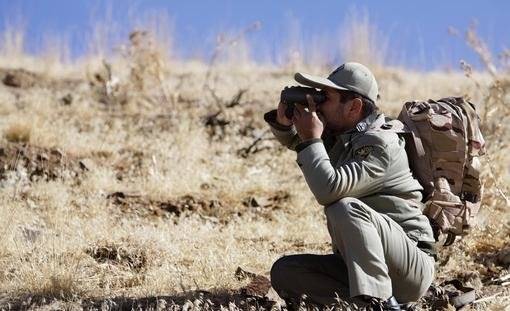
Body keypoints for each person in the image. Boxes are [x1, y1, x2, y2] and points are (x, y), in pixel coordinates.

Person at [264, 62, 436, 310]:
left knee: (344, 207)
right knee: (286, 272)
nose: (318, 103)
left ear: (354, 106)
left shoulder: (380, 144)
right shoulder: (346, 135)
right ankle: (362, 302)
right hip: (362, 264)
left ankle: (383, 304)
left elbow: (329, 188)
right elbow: (302, 143)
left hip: (409, 267)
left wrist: (311, 138)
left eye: (326, 97)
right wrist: (284, 124)